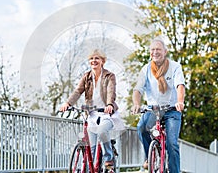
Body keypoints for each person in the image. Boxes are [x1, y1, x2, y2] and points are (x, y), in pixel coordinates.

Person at [60, 49, 124, 167]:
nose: (94, 61)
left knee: (102, 131)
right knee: (91, 149)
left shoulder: (109, 76)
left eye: (97, 58)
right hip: (92, 114)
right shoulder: (86, 76)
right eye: (91, 58)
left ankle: (109, 157)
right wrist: (68, 103)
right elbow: (78, 91)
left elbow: (111, 90)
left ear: (102, 61)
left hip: (106, 114)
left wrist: (109, 104)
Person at [131, 37, 185, 173]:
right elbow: (138, 89)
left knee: (171, 143)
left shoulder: (175, 67)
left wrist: (180, 101)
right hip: (153, 109)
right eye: (153, 50)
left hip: (171, 110)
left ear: (165, 51)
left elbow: (180, 85)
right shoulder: (146, 69)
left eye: (158, 49)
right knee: (142, 127)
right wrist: (136, 104)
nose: (155, 52)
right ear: (150, 53)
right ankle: (149, 157)